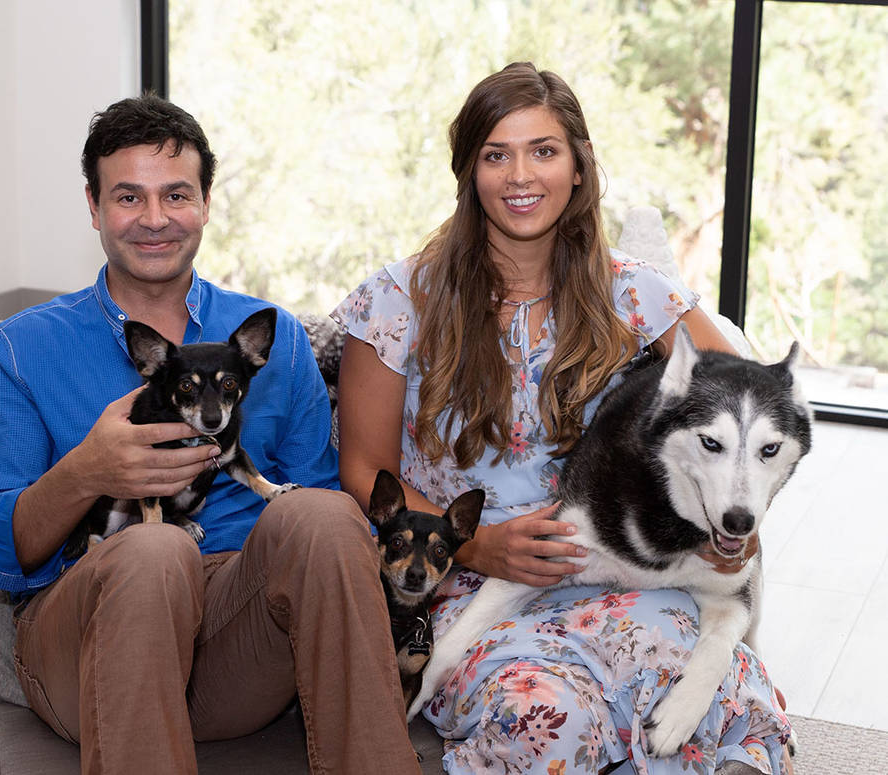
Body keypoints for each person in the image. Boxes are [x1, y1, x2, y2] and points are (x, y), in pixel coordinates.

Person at [333, 63, 792, 774]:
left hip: (636, 573)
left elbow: (756, 414)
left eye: (544, 150)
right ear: (469, 173)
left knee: (713, 708)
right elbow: (363, 469)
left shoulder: (639, 294)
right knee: (550, 719)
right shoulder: (395, 301)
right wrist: (480, 545)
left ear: (578, 167)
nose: (521, 174)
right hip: (473, 590)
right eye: (496, 154)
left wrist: (735, 519)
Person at [0, 94, 422, 775]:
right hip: (84, 634)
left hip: (237, 645)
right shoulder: (21, 348)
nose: (153, 219)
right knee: (152, 551)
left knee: (327, 516)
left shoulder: (271, 336)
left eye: (175, 193)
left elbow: (323, 533)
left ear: (205, 202)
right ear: (93, 206)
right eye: (127, 197)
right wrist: (86, 472)